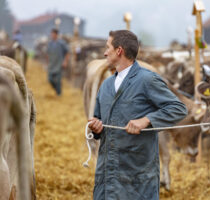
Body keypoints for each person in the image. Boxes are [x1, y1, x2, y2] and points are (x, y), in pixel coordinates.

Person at [88, 30, 187, 200]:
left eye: (108, 47)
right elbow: (99, 121)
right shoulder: (106, 85)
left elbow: (178, 108)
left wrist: (147, 120)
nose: (104, 53)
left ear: (119, 50)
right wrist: (96, 128)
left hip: (137, 182)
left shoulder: (147, 80)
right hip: (106, 178)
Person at [46, 28, 69, 96]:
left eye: (53, 34)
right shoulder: (50, 43)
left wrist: (65, 62)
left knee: (58, 81)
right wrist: (47, 62)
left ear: (56, 34)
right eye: (51, 34)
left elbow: (67, 52)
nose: (52, 35)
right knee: (50, 79)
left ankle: (59, 94)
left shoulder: (62, 43)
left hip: (59, 65)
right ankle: (57, 90)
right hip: (51, 64)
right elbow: (47, 53)